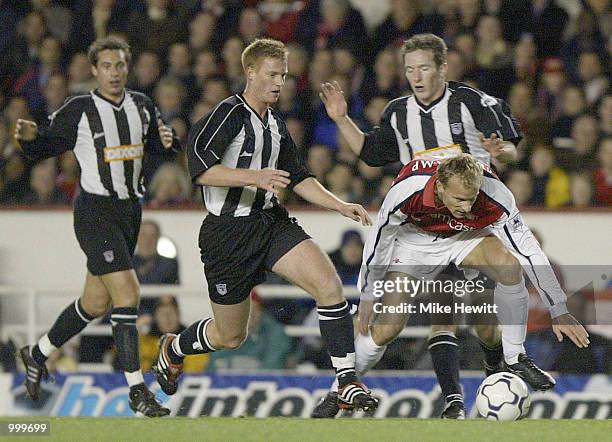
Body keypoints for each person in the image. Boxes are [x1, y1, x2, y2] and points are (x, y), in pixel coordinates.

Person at [153, 38, 378, 413]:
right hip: (227, 233)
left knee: (329, 284)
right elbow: (201, 169)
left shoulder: (274, 123)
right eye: (272, 74)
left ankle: (345, 380)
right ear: (250, 72)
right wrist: (253, 177)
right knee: (230, 335)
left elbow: (298, 176)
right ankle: (174, 347)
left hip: (270, 223)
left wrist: (339, 204)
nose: (279, 82)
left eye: (284, 76)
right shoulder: (227, 114)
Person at [315, 33, 524, 419]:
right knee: (389, 325)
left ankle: (496, 371)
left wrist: (503, 153)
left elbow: (510, 147)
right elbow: (370, 154)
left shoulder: (472, 102)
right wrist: (341, 118)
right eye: (410, 69)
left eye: (425, 67)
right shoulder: (397, 113)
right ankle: (340, 391)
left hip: (470, 226)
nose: (417, 76)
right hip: (420, 231)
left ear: (443, 67)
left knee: (485, 325)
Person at [14, 36, 181, 417]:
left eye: (120, 65)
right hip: (94, 213)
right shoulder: (80, 110)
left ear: (128, 67)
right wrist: (28, 141)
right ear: (94, 70)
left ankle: (36, 353)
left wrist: (168, 141)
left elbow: (158, 147)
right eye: (106, 66)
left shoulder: (141, 105)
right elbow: (45, 146)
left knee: (95, 302)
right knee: (128, 292)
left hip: (129, 213)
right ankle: (137, 390)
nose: (114, 73)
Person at [359, 154, 588, 412]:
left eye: (471, 198)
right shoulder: (407, 190)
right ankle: (345, 384)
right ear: (440, 186)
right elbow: (380, 239)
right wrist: (368, 293)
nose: (467, 207)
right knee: (387, 330)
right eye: (459, 199)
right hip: (415, 242)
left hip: (464, 237)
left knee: (510, 266)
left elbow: (528, 250)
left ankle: (515, 357)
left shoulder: (495, 194)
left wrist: (558, 308)